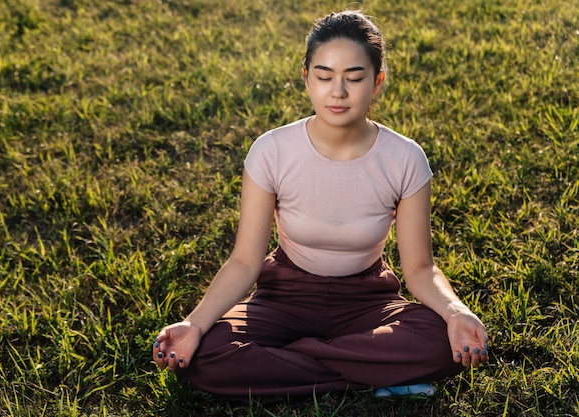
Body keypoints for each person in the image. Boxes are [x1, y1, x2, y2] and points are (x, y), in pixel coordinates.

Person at [152, 10, 488, 402]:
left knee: (440, 341)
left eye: (355, 77)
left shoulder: (405, 158)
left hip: (367, 301)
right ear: (306, 78)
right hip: (285, 298)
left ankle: (286, 366)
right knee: (205, 355)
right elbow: (245, 262)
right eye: (325, 76)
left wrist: (454, 312)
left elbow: (419, 268)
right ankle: (370, 374)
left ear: (377, 81)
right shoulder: (272, 151)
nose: (338, 92)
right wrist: (194, 324)